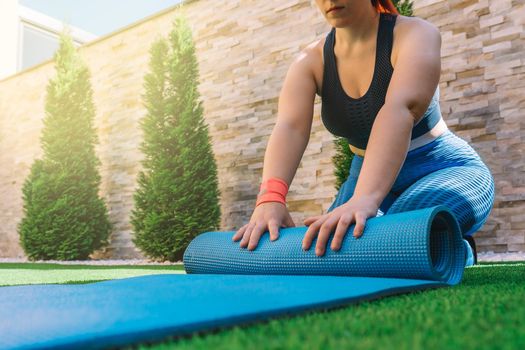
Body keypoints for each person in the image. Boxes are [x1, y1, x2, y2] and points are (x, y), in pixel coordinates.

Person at [232, 0, 495, 266]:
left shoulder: (416, 34)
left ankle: (457, 250)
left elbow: (399, 110)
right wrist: (270, 199)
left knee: (397, 232)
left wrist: (365, 199)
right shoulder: (309, 61)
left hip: (442, 169)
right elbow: (290, 127)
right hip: (363, 179)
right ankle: (435, 243)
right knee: (326, 250)